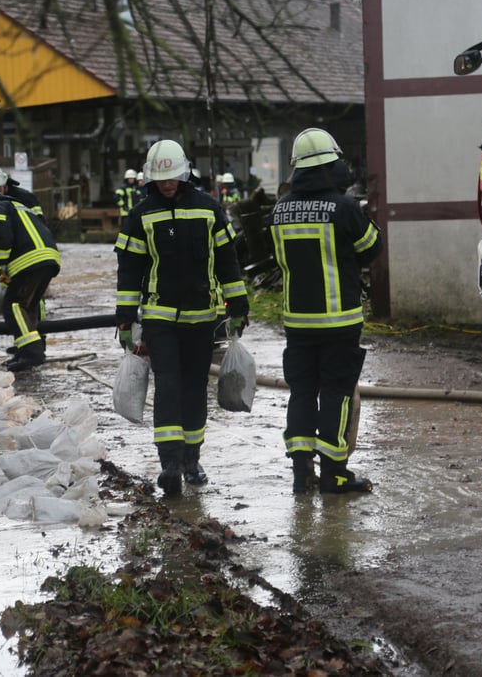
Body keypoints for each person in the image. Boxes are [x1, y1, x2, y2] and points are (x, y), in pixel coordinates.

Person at [115, 139, 249, 496]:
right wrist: (125, 319)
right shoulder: (141, 214)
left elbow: (227, 262)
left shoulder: (209, 209)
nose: (167, 184)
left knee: (194, 390)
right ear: (150, 179)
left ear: (184, 174)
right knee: (169, 387)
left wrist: (238, 307)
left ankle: (192, 460)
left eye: (173, 177)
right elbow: (129, 270)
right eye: (161, 179)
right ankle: (170, 465)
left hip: (202, 318)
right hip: (160, 319)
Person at [269, 128, 382, 495]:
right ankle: (334, 475)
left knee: (301, 392)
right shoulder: (345, 207)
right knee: (336, 393)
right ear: (333, 164)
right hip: (339, 321)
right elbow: (371, 247)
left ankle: (302, 475)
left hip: (297, 323)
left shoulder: (280, 209)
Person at [0, 188, 61, 372]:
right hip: (49, 258)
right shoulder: (19, 206)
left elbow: (0, 236)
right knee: (29, 305)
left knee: (13, 305)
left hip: (30, 261)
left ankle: (32, 354)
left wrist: (1, 266)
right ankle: (29, 349)